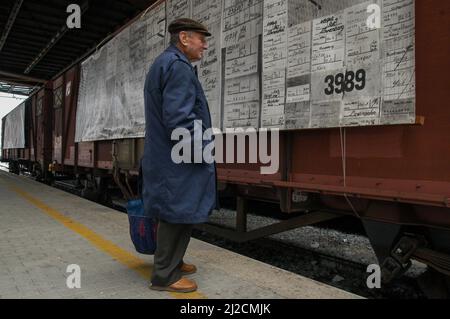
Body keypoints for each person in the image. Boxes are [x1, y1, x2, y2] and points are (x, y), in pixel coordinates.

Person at [142, 18, 218, 293]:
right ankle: (164, 275)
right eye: (202, 38)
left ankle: (175, 260)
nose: (205, 45)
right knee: (178, 210)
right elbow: (179, 118)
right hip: (178, 155)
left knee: (176, 209)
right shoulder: (179, 67)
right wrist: (201, 152)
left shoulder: (165, 63)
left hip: (166, 152)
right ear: (184, 38)